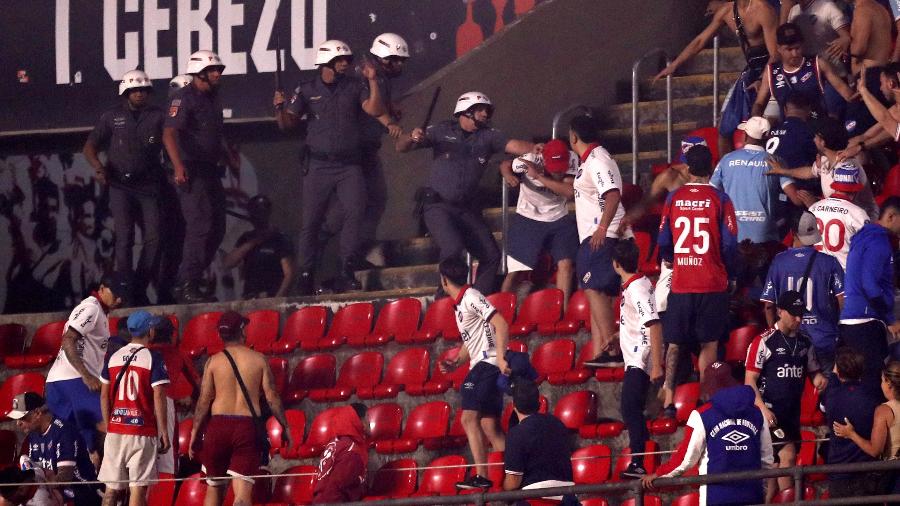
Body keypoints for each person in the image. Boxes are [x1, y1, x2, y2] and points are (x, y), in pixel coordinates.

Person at [395, 92, 536, 295]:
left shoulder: (489, 136)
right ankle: (443, 302)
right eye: (480, 109)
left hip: (467, 208)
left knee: (491, 255)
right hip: (438, 206)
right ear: (466, 111)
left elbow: (514, 145)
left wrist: (539, 149)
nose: (486, 114)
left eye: (487, 110)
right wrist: (410, 136)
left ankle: (474, 303)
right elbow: (401, 147)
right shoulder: (441, 130)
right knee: (452, 248)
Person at [274, 40, 386, 294]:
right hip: (318, 165)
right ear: (326, 62)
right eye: (340, 60)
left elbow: (374, 109)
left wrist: (373, 81)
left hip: (349, 165)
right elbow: (287, 124)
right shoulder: (306, 89)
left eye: (347, 59)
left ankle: (347, 270)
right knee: (311, 222)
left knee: (355, 212)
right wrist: (279, 108)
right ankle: (305, 274)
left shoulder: (355, 86)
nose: (345, 63)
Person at [658, 145, 738, 412]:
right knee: (710, 342)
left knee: (675, 343)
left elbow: (663, 239)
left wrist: (670, 257)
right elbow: (729, 244)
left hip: (682, 282)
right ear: (712, 168)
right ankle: (707, 398)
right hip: (712, 282)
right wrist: (729, 270)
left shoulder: (673, 198)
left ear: (688, 169)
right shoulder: (721, 199)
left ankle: (669, 399)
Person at [189, 311, 291, 506]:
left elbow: (204, 401)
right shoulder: (258, 360)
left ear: (220, 335)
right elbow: (272, 397)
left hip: (217, 426)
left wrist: (195, 431)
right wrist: (284, 426)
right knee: (242, 494)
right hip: (245, 427)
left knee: (213, 488)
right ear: (242, 331)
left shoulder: (213, 362)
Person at [83, 69, 165, 305]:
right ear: (126, 92)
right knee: (125, 237)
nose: (139, 94)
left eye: (143, 90)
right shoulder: (111, 117)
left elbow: (170, 142)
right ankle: (126, 290)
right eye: (134, 90)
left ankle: (139, 285)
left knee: (155, 238)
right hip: (119, 184)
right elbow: (89, 147)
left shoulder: (158, 116)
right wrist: (99, 168)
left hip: (149, 185)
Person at [641, 361, 775, 505]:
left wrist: (659, 474)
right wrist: (762, 491)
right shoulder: (757, 412)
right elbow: (766, 460)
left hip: (716, 496)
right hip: (752, 494)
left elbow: (686, 459)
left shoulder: (702, 414)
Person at [654, 0, 778, 154]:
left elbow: (775, 55)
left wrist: (762, 79)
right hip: (751, 70)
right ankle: (726, 172)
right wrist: (674, 65)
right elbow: (700, 41)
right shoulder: (726, 12)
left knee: (759, 124)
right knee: (724, 130)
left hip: (769, 70)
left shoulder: (763, 10)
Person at [435, 257, 509, 490]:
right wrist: (456, 361)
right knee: (490, 426)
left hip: (486, 365)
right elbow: (473, 338)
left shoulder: (471, 297)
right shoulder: (462, 302)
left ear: (444, 280)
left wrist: (500, 358)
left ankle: (482, 476)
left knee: (468, 418)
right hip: (483, 363)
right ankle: (512, 475)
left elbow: (501, 324)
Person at [745, 291, 827, 501]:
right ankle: (792, 502)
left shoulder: (805, 343)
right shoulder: (763, 342)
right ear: (780, 312)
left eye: (801, 314)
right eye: (794, 314)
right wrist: (763, 409)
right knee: (788, 456)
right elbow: (749, 382)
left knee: (776, 468)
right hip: (769, 414)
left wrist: (820, 380)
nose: (799, 319)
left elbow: (814, 373)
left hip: (792, 414)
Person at [163, 50, 230, 304]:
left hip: (210, 169)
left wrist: (225, 153)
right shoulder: (183, 98)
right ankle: (187, 282)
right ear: (200, 72)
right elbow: (169, 134)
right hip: (190, 168)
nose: (217, 74)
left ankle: (188, 280)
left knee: (218, 228)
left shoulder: (214, 98)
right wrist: (178, 166)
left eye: (218, 70)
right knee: (200, 225)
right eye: (213, 70)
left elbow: (213, 133)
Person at [567, 114, 631, 368]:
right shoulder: (589, 161)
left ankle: (612, 348)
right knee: (594, 289)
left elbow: (612, 194)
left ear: (574, 136)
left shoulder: (598, 159)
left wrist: (602, 228)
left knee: (596, 288)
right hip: (595, 234)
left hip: (603, 234)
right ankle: (601, 350)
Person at [44, 273, 127, 469]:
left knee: (83, 440)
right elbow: (68, 340)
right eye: (115, 294)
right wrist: (87, 375)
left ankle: (93, 484)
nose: (119, 299)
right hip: (72, 381)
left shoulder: (99, 310)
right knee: (107, 425)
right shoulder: (91, 308)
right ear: (101, 289)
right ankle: (110, 484)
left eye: (122, 295)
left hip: (61, 382)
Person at [97, 310, 170, 506]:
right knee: (137, 489)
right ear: (150, 331)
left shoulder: (112, 357)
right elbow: (159, 395)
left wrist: (109, 424)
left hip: (116, 429)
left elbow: (104, 395)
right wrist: (163, 431)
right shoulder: (153, 357)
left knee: (111, 490)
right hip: (142, 431)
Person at [761, 211, 845, 373]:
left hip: (790, 340)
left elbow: (768, 305)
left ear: (792, 232)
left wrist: (776, 333)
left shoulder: (779, 262)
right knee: (824, 388)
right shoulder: (830, 262)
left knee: (793, 391)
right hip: (824, 338)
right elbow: (843, 300)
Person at [499, 139, 578, 302]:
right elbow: (505, 164)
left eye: (560, 169)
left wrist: (539, 177)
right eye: (554, 169)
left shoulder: (572, 158)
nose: (558, 173)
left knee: (566, 265)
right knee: (516, 272)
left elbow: (569, 192)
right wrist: (508, 175)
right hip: (528, 217)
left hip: (558, 217)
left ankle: (560, 313)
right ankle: (502, 312)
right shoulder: (531, 159)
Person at [611, 240, 664, 479]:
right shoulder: (636, 283)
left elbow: (653, 324)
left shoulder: (637, 289)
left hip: (640, 358)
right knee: (631, 407)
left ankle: (639, 461)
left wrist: (657, 365)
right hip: (634, 355)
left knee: (630, 407)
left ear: (616, 264)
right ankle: (638, 460)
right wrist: (616, 336)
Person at [839, 196, 900, 392]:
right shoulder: (879, 243)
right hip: (865, 323)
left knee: (856, 384)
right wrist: (890, 318)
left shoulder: (864, 237)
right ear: (891, 216)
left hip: (852, 321)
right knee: (873, 385)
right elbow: (870, 285)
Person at [768, 117, 880, 221]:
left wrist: (814, 204)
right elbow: (809, 172)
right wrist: (783, 171)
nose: (814, 139)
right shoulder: (826, 160)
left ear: (823, 142)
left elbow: (842, 208)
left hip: (860, 224)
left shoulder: (846, 168)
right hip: (841, 220)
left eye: (816, 136)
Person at [10, 393, 100, 505]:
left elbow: (64, 478)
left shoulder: (64, 432)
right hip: (55, 490)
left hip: (80, 491)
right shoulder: (33, 433)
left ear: (38, 413)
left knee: (38, 501)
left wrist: (38, 486)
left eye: (22, 418)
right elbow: (37, 471)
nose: (18, 423)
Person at [751, 23, 856, 120]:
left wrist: (861, 97)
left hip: (818, 127)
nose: (795, 53)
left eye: (797, 48)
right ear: (779, 48)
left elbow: (844, 90)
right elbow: (759, 103)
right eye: (789, 49)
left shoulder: (818, 64)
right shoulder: (771, 71)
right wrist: (755, 121)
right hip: (789, 130)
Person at [820, 346, 883, 497]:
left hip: (839, 473)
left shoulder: (832, 395)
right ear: (862, 370)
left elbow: (834, 377)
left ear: (838, 370)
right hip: (866, 473)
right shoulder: (873, 396)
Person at [502, 379, 576, 505]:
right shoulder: (558, 424)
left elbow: (513, 481)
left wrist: (502, 489)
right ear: (538, 403)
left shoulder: (516, 433)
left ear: (514, 405)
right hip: (568, 497)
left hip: (535, 498)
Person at [833, 360, 900, 494]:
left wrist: (851, 434)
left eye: (882, 380)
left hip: (895, 478)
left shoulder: (884, 410)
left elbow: (875, 450)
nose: (881, 385)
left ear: (889, 383)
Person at [148, 315, 199, 479]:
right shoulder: (178, 353)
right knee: (167, 461)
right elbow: (199, 383)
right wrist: (192, 399)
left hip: (140, 404)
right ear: (172, 334)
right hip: (165, 404)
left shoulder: (144, 353)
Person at [222, 195, 295, 299]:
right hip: (250, 297)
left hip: (271, 296)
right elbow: (228, 263)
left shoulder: (280, 239)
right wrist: (253, 242)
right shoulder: (246, 238)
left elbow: (289, 274)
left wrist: (278, 299)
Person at [808, 164, 873, 272]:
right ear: (855, 190)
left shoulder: (813, 208)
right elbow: (870, 249)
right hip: (844, 276)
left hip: (815, 273)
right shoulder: (858, 213)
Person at [311, 403, 368, 504]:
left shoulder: (334, 444)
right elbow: (335, 489)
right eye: (366, 418)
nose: (369, 422)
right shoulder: (351, 451)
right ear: (357, 421)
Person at [787, 0, 851, 66]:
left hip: (833, 66)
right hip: (808, 67)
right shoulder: (793, 11)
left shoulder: (828, 7)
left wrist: (844, 40)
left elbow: (846, 37)